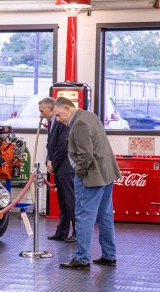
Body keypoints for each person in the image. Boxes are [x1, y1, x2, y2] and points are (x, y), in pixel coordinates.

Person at [53, 97, 120, 270]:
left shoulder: (79, 124)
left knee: (83, 217)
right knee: (105, 216)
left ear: (68, 108)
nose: (58, 119)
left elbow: (85, 156)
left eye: (59, 115)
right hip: (106, 174)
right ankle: (109, 255)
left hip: (91, 177)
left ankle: (82, 258)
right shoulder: (90, 116)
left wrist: (79, 174)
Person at [38, 97, 76, 243]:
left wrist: (53, 163)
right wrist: (48, 160)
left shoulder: (62, 121)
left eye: (42, 111)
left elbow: (62, 145)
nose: (41, 114)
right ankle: (62, 232)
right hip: (58, 167)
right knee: (63, 202)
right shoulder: (51, 122)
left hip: (66, 167)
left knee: (70, 201)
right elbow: (51, 145)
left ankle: (77, 233)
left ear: (51, 108)